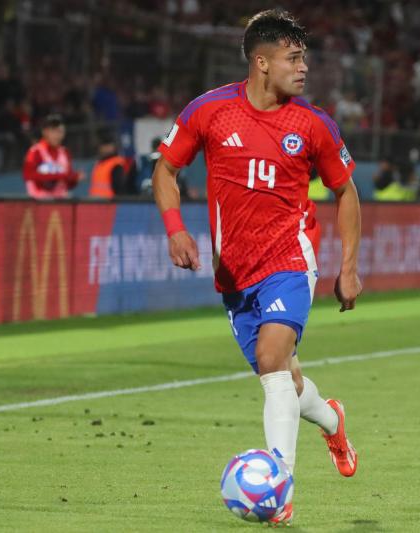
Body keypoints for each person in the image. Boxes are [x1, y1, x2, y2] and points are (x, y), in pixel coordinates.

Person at [152, 10, 361, 525]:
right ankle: (333, 421)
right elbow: (167, 168)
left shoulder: (312, 123)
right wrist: (175, 227)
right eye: (294, 58)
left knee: (272, 361)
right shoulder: (210, 111)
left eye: (304, 57)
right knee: (284, 380)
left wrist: (349, 266)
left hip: (291, 256)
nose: (304, 67)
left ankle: (278, 490)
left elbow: (346, 191)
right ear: (261, 62)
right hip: (234, 273)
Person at [22, 114, 84, 199]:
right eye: (53, 131)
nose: (57, 135)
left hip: (60, 204)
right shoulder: (35, 151)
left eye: (60, 131)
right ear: (44, 132)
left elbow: (67, 184)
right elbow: (29, 175)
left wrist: (75, 179)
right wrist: (61, 175)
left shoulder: (65, 152)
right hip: (39, 204)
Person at [89, 134, 131, 199]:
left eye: (107, 145)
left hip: (110, 206)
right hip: (96, 204)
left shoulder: (116, 165)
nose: (104, 148)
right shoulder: (99, 163)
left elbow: (120, 189)